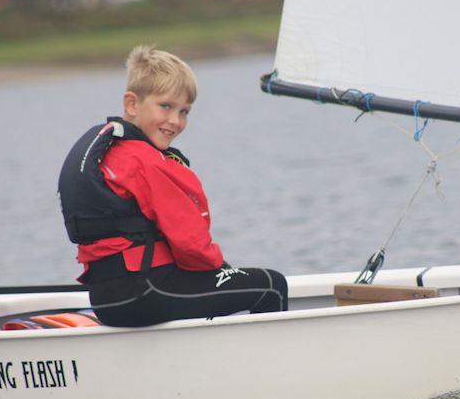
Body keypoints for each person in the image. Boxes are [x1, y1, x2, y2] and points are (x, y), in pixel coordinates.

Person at [58, 45, 288, 327]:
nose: (175, 121)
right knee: (270, 285)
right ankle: (272, 370)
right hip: (148, 292)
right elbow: (191, 244)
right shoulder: (146, 161)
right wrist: (222, 270)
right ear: (132, 104)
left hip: (107, 300)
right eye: (165, 106)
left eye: (184, 111)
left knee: (219, 286)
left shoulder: (110, 154)